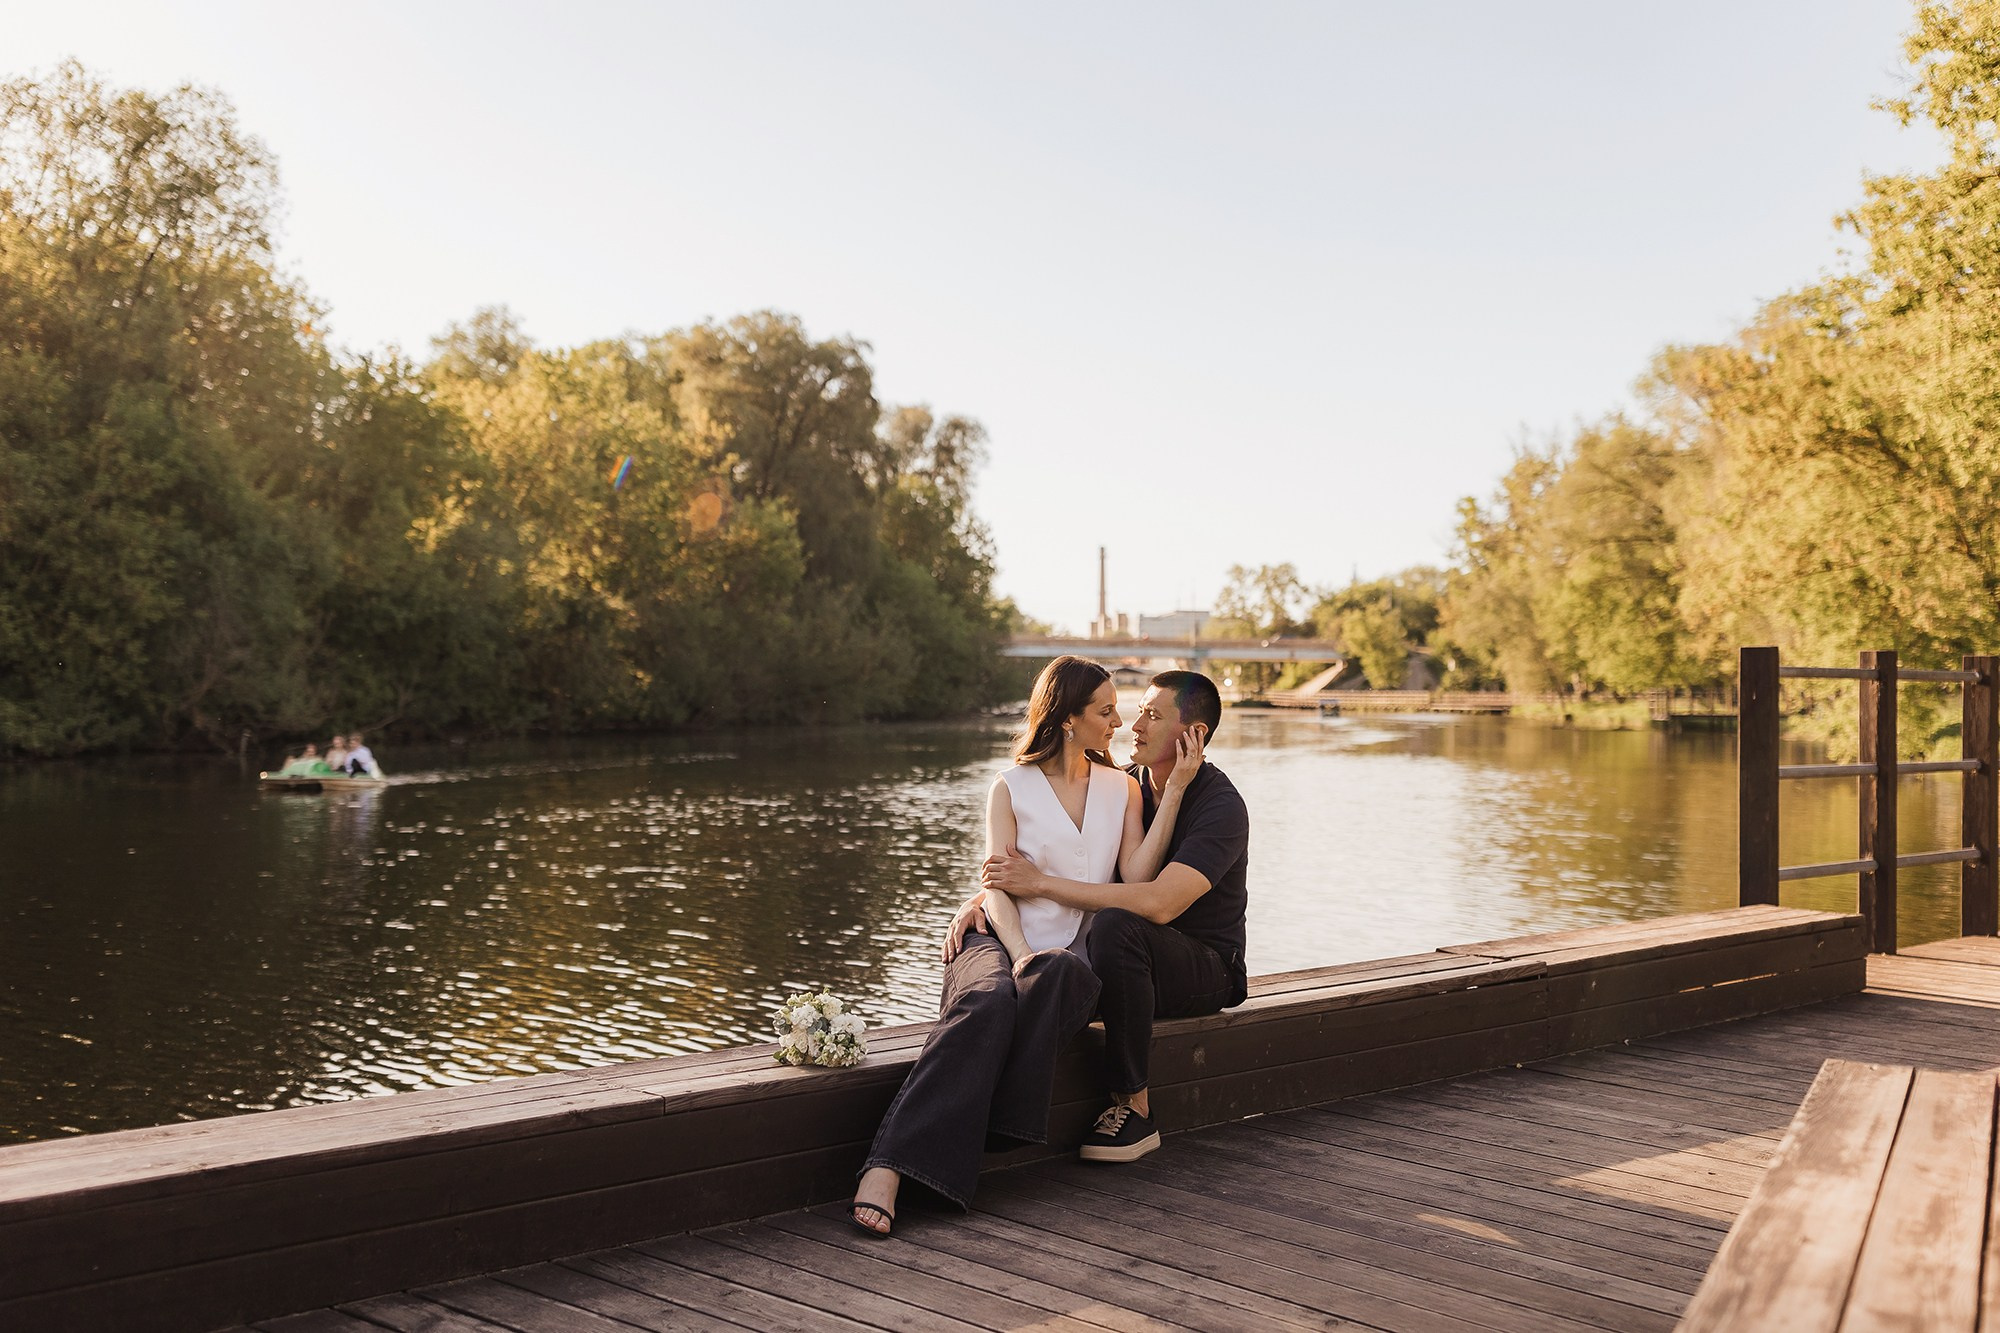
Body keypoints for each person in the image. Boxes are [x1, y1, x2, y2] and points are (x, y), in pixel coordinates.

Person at [850, 656, 1202, 1236]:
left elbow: (1137, 879)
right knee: (988, 1002)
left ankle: (942, 1148)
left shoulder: (1123, 791)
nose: (1118, 722)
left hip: (1067, 957)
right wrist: (1018, 957)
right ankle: (885, 1167)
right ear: (1067, 719)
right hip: (997, 937)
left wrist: (1176, 792)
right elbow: (996, 889)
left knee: (1061, 973)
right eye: (1106, 711)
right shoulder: (1009, 786)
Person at [974, 669, 1248, 1164]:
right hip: (1130, 965)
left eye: (1152, 715)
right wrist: (979, 900)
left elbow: (1159, 903)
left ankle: (1136, 1110)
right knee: (1103, 939)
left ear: (1194, 735)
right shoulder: (1128, 783)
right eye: (1136, 709)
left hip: (1206, 967)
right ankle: (997, 1118)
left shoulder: (1221, 807)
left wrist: (1036, 884)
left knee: (1118, 924)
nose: (1132, 725)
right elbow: (1064, 850)